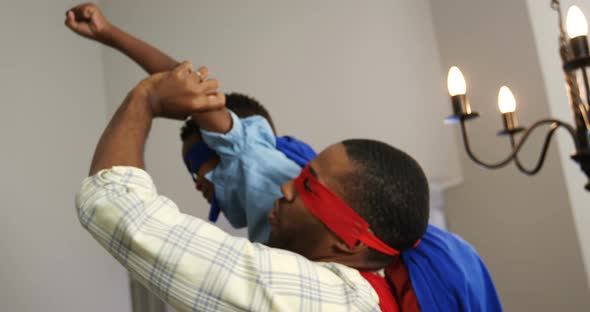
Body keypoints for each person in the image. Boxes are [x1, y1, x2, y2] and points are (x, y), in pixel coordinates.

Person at [68, 4, 502, 311]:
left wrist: (135, 74)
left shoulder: (259, 165)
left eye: (309, 183)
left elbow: (189, 89)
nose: (290, 183)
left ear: (351, 241)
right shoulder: (365, 268)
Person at [66, 3, 315, 243]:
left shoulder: (252, 156)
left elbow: (189, 88)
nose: (196, 184)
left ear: (224, 145)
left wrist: (109, 34)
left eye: (196, 168)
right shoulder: (266, 212)